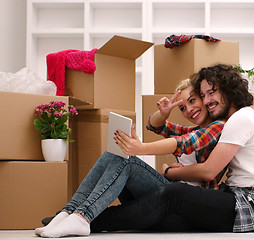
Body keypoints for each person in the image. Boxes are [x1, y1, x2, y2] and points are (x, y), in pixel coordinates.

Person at [87, 64, 254, 233]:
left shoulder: (240, 119)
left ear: (229, 90)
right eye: (204, 95)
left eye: (212, 93)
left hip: (253, 203)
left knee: (174, 193)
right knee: (164, 208)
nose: (208, 101)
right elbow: (161, 128)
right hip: (242, 197)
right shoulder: (233, 121)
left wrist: (167, 172)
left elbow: (209, 171)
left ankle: (92, 221)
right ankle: (83, 215)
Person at [36, 80, 226, 238]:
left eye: (193, 101)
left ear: (205, 99)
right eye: (183, 107)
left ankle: (82, 217)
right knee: (115, 152)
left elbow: (185, 142)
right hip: (167, 198)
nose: (189, 110)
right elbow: (154, 125)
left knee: (128, 160)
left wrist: (163, 166)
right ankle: (69, 212)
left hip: (187, 210)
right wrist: (164, 113)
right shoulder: (193, 129)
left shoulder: (218, 127)